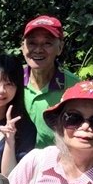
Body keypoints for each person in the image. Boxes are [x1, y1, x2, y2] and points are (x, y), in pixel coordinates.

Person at [21, 15, 79, 148]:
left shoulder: (73, 87)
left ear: (60, 48)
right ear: (23, 47)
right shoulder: (11, 80)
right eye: (32, 43)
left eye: (47, 43)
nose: (38, 50)